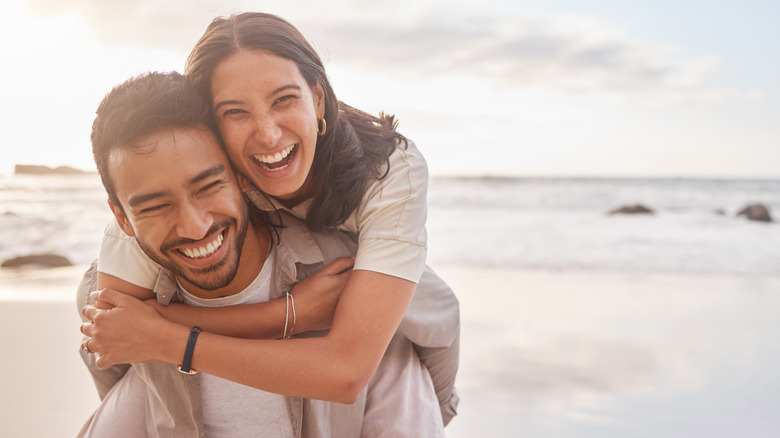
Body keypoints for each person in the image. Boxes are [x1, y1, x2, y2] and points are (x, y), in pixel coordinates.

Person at [84, 11, 460, 424]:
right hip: (276, 289)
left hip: (372, 285)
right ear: (210, 124)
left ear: (317, 100)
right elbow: (116, 328)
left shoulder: (390, 171)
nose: (267, 134)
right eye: (235, 112)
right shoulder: (183, 180)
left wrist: (171, 340)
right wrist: (284, 314)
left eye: (284, 100)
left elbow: (347, 369)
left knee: (415, 312)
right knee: (92, 291)